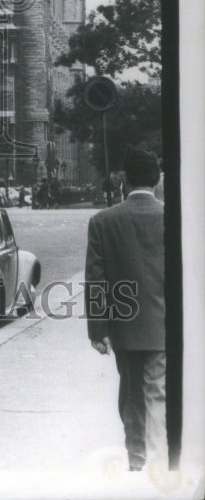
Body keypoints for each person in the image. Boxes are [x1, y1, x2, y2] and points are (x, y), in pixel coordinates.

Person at [85, 148, 165, 472]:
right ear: (157, 180)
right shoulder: (175, 217)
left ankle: (137, 461)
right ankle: (161, 465)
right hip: (166, 325)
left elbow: (96, 280)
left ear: (124, 182)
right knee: (159, 392)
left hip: (125, 327)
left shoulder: (102, 221)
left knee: (132, 396)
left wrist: (98, 331)